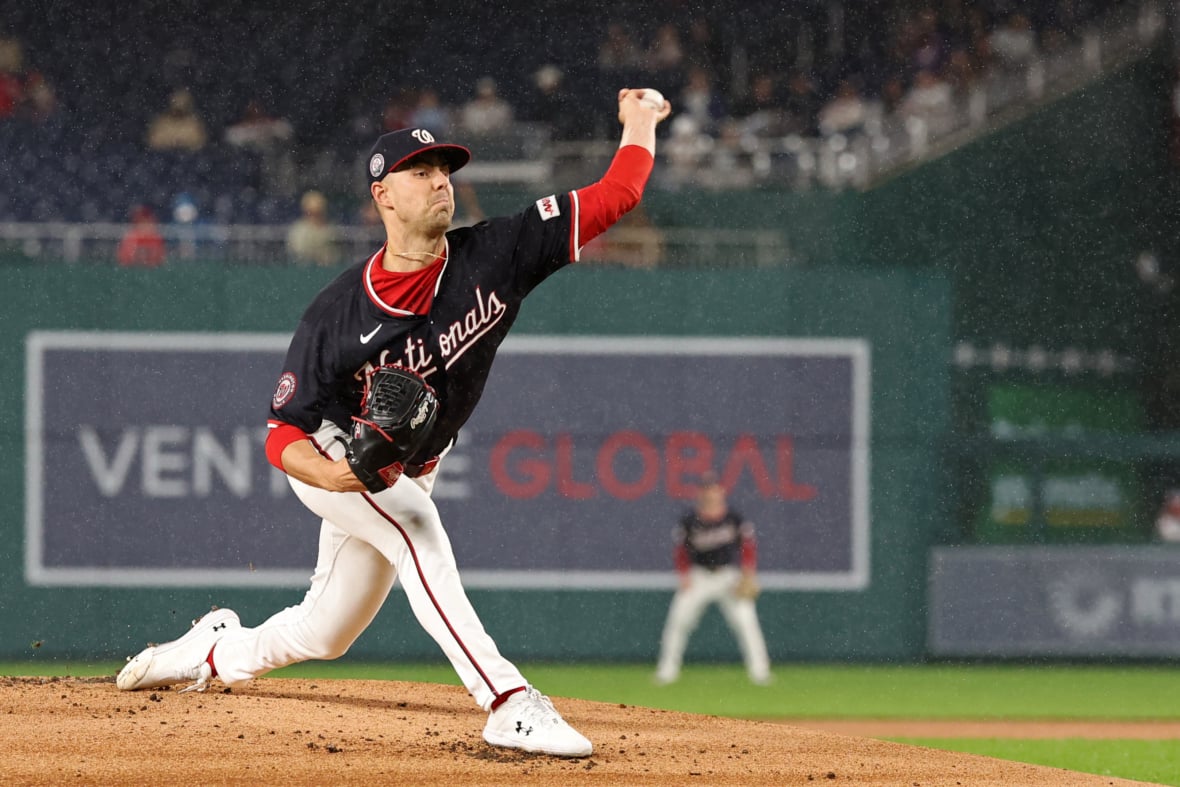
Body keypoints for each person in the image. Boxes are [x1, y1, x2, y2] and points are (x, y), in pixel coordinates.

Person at [115, 87, 673, 759]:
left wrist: (639, 120)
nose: (441, 181)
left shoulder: (498, 253)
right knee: (416, 529)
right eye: (422, 172)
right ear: (383, 196)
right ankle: (507, 701)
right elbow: (280, 432)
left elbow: (618, 194)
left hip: (407, 464)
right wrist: (339, 475)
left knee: (326, 633)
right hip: (333, 453)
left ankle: (215, 650)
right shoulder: (338, 314)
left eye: (445, 170)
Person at [654, 474, 772, 686]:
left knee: (746, 622)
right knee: (678, 621)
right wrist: (683, 575)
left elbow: (748, 547)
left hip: (728, 576)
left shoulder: (734, 518)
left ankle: (760, 672)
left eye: (713, 488)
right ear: (700, 493)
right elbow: (680, 551)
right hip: (699, 576)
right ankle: (667, 671)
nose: (710, 493)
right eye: (706, 489)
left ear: (721, 491)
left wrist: (748, 572)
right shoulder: (689, 521)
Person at [285, 189, 337, 266]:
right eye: (312, 213)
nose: (316, 217)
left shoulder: (331, 229)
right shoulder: (298, 230)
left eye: (319, 212)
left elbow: (335, 255)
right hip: (305, 270)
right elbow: (298, 253)